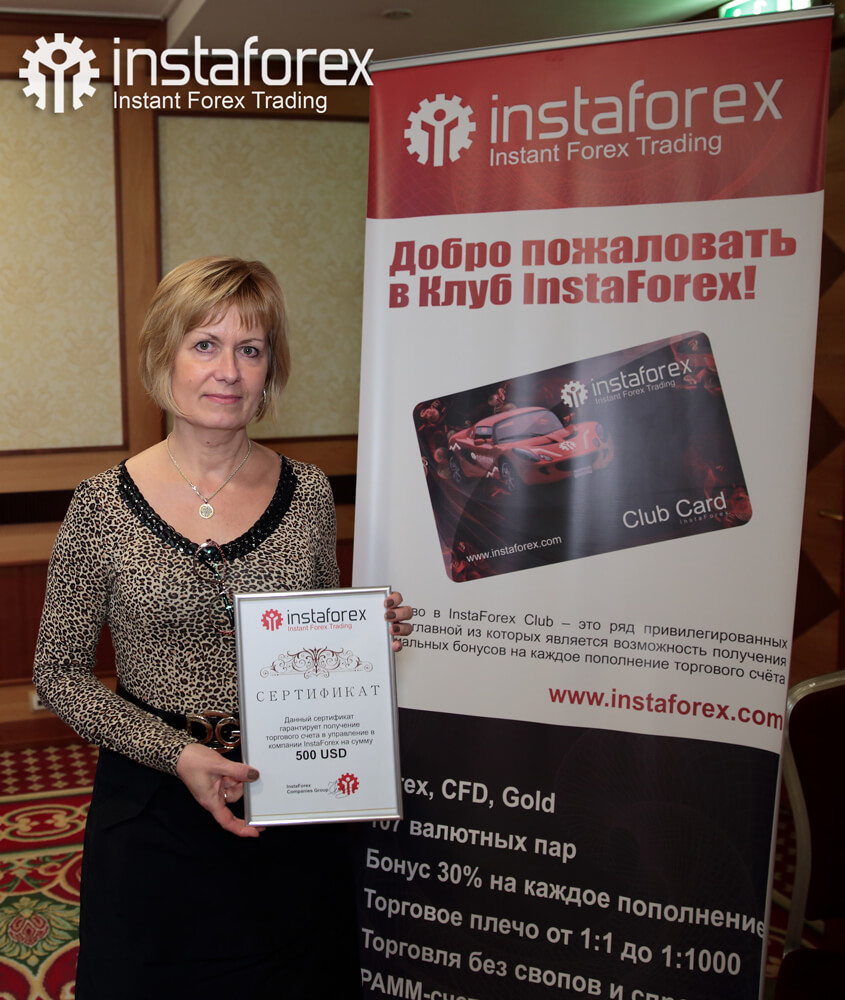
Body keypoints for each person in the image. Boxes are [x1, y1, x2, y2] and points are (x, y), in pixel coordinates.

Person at [33, 256, 413, 999]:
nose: (228, 371)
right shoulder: (101, 505)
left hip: (290, 796)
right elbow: (58, 674)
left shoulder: (307, 493)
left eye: (251, 348)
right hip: (153, 805)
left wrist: (362, 637)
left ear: (270, 369)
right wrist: (174, 752)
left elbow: (311, 639)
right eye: (204, 344)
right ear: (164, 357)